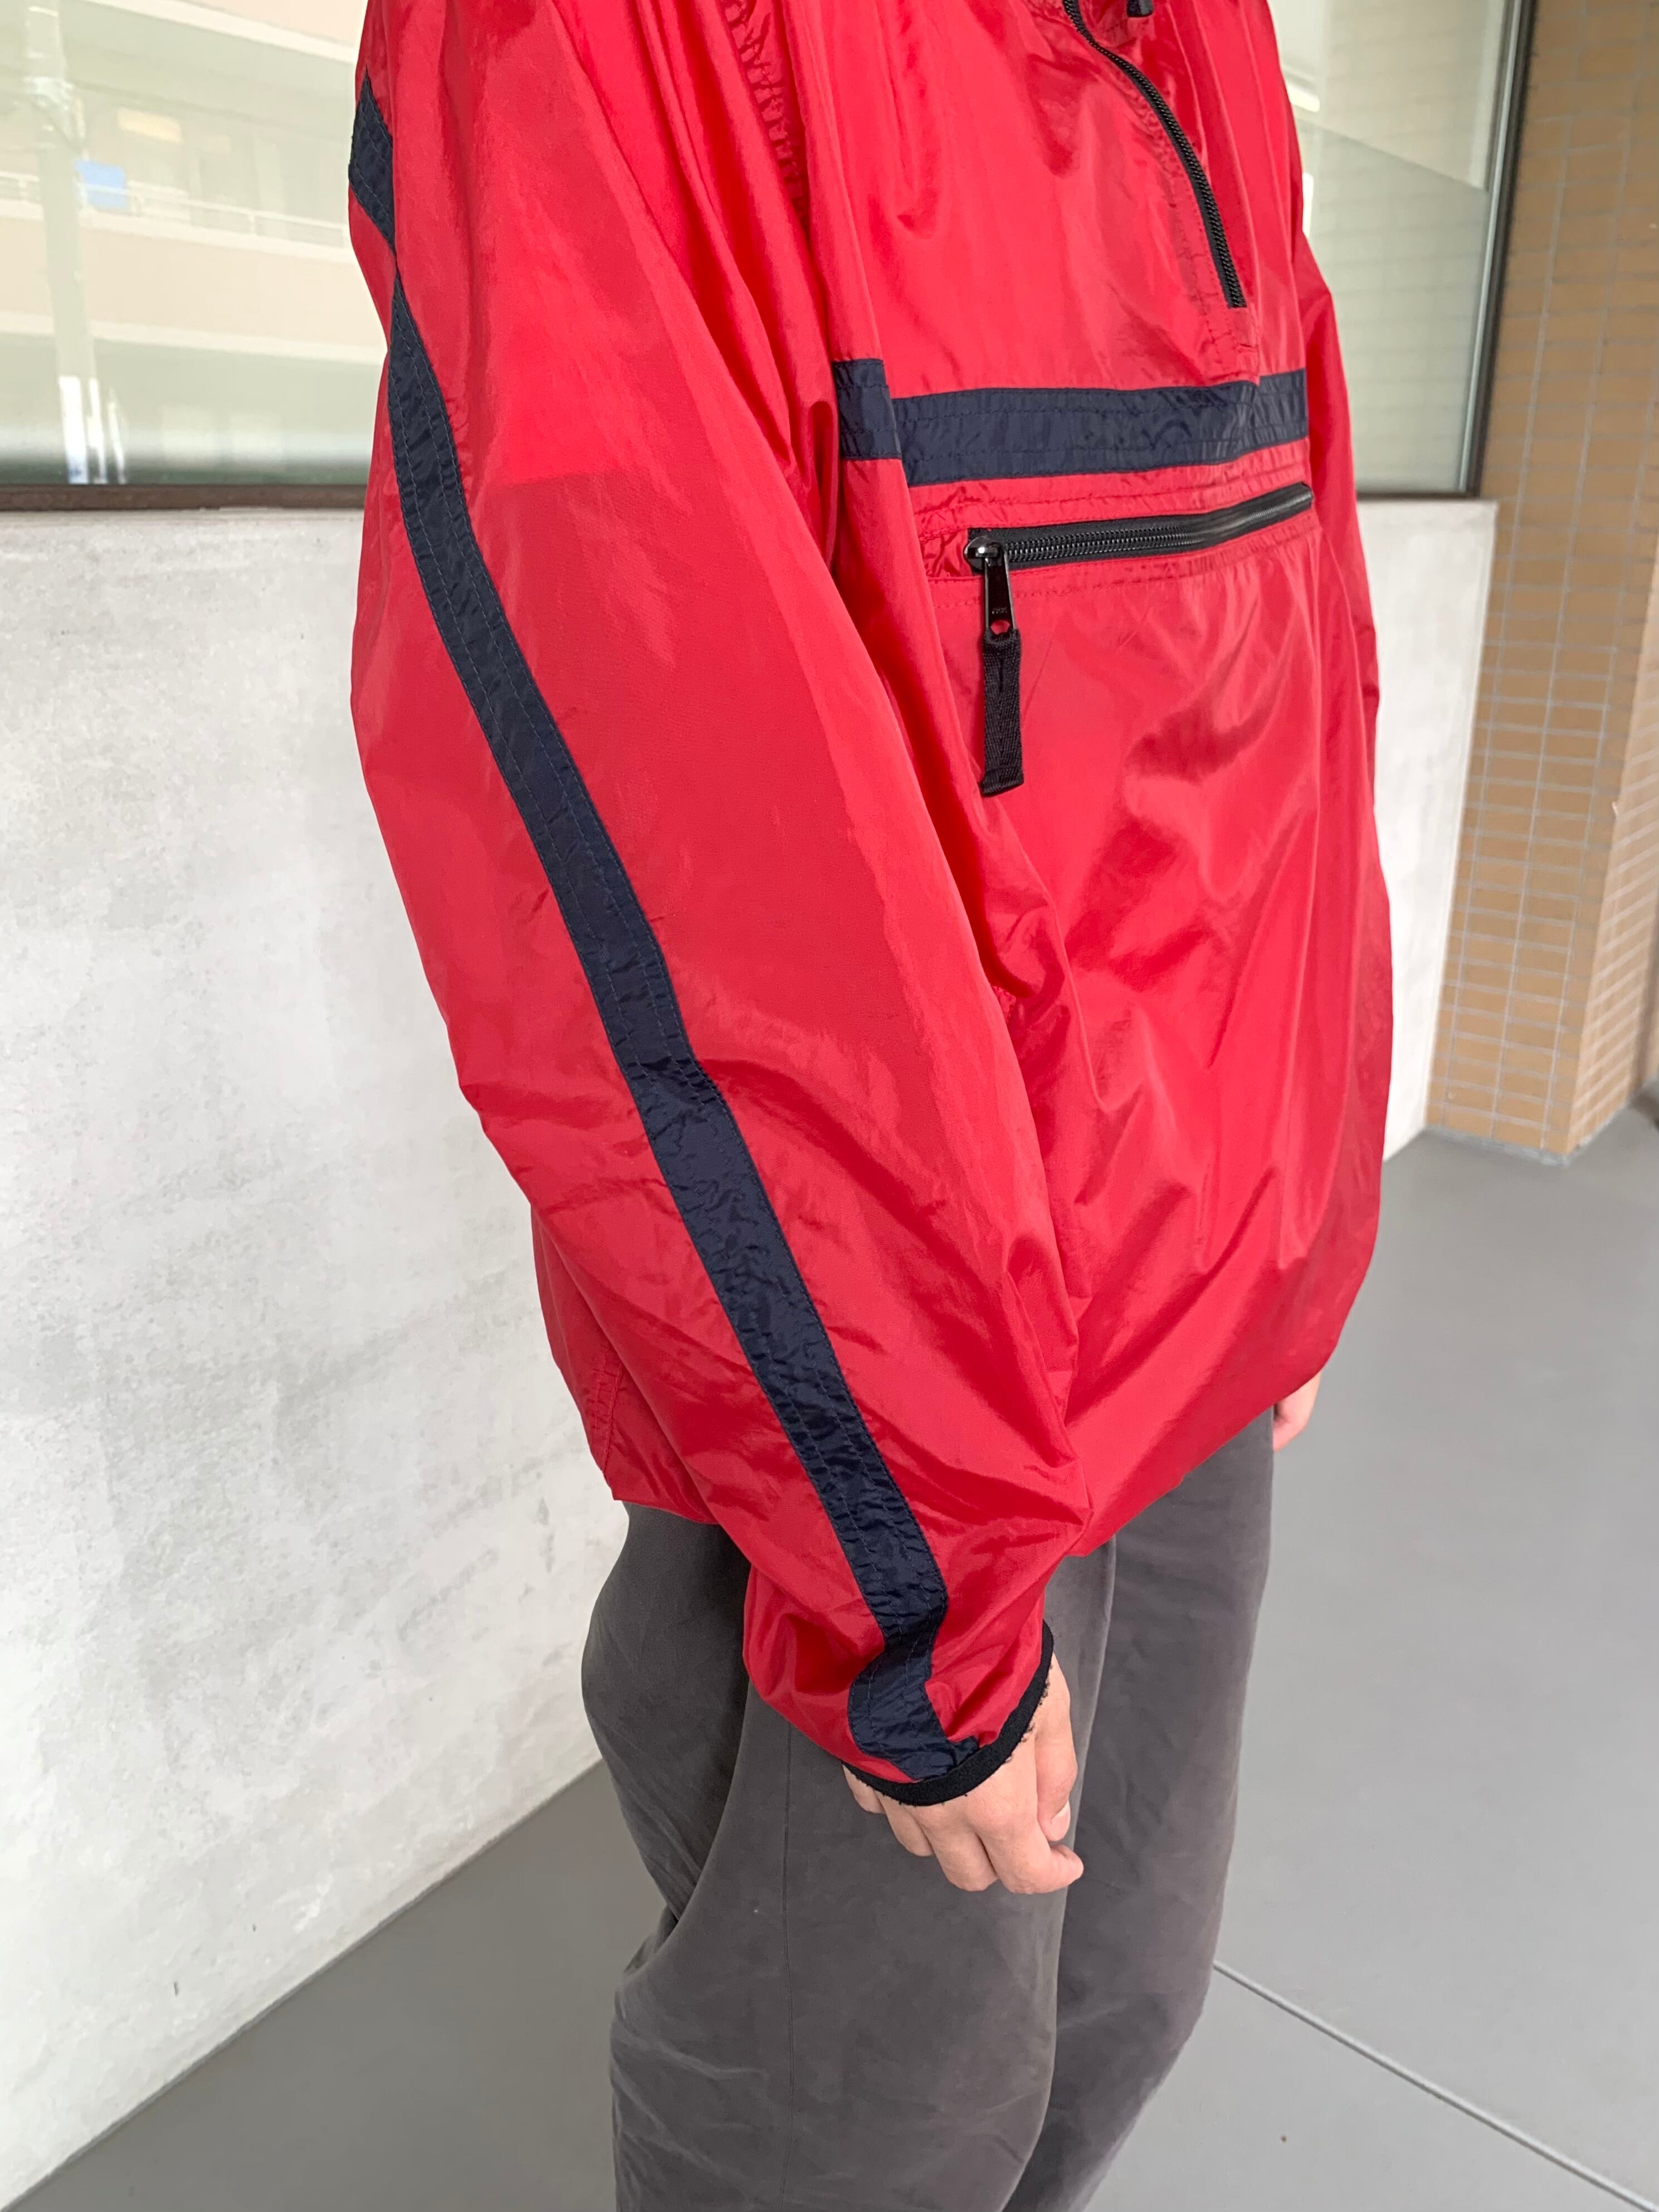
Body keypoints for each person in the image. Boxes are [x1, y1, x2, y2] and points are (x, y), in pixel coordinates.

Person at [346, 1, 1390, 2205]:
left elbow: (1285, 643)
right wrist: (917, 1596)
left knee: (1120, 2007)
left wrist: (1291, 1220)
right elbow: (666, 845)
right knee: (859, 2136)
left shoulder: (1202, 25)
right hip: (920, 1407)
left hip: (1195, 1314)